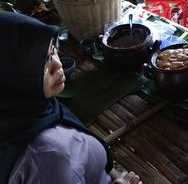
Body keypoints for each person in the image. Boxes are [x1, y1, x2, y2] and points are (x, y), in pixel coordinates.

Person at [0, 11, 142, 184]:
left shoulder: (31, 109)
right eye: (43, 62)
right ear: (12, 78)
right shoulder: (49, 158)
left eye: (53, 50)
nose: (58, 65)